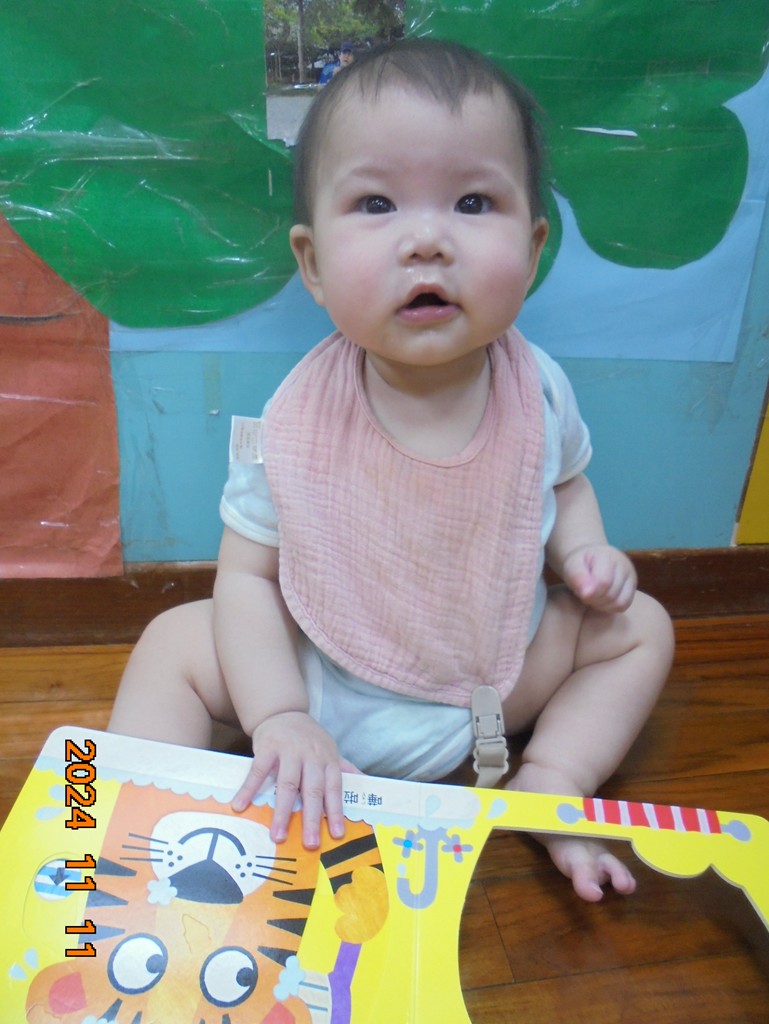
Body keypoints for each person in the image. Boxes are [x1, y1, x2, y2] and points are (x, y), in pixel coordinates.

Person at [109, 38, 674, 903]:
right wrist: (278, 713)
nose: (426, 240)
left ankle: (552, 777)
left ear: (531, 249)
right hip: (322, 688)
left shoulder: (538, 390)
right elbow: (247, 577)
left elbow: (562, 484)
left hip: (489, 696)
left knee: (639, 628)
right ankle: (124, 833)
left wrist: (586, 554)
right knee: (172, 642)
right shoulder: (293, 421)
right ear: (312, 263)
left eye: (472, 202)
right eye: (376, 203)